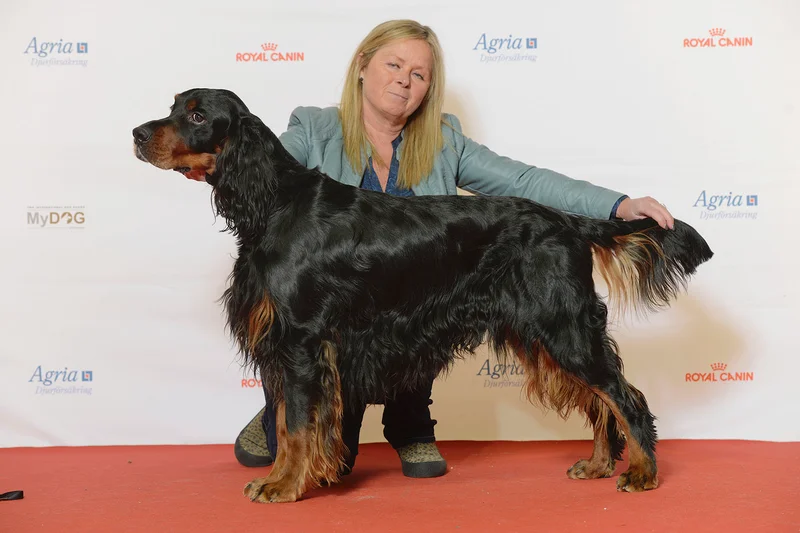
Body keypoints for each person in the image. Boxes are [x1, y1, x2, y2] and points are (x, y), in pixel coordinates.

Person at [233, 19, 675, 479]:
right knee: (330, 453)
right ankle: (278, 408)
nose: (404, 79)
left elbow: (522, 181)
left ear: (427, 88)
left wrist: (618, 205)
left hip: (411, 322)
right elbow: (272, 179)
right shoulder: (313, 126)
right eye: (394, 64)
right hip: (340, 327)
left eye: (419, 74)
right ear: (363, 66)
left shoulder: (444, 140)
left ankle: (411, 424)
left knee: (556, 348)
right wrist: (224, 163)